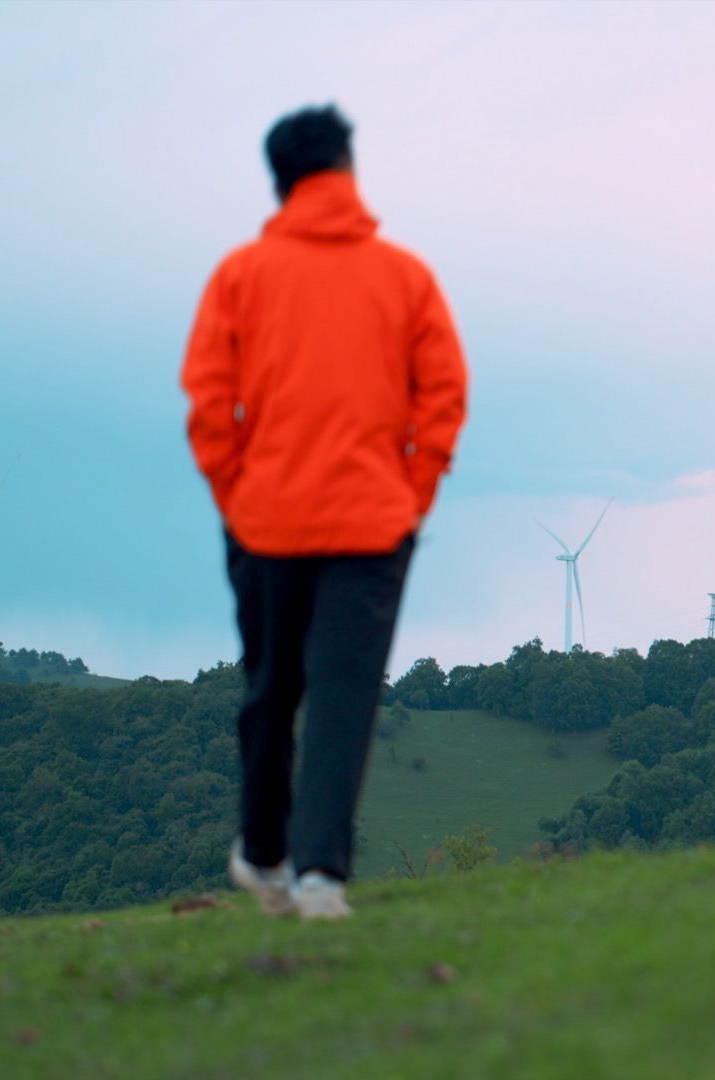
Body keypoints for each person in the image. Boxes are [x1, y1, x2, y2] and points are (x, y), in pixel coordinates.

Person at [180, 104, 468, 920]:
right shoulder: (405, 276)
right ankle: (319, 877)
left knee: (272, 689)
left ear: (278, 180)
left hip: (264, 521)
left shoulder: (240, 275)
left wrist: (236, 492)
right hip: (373, 528)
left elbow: (207, 401)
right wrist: (411, 493)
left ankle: (263, 851)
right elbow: (443, 395)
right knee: (345, 693)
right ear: (347, 167)